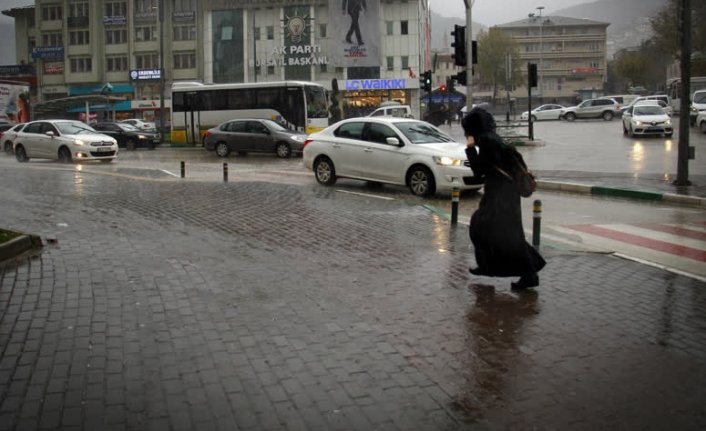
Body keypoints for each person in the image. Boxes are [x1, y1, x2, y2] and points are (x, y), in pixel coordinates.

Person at [462, 107, 546, 289]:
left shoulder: (485, 142)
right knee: (507, 235)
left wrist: (470, 148)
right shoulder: (494, 140)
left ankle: (521, 271)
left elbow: (480, 172)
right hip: (506, 194)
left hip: (500, 196)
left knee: (482, 228)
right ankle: (522, 272)